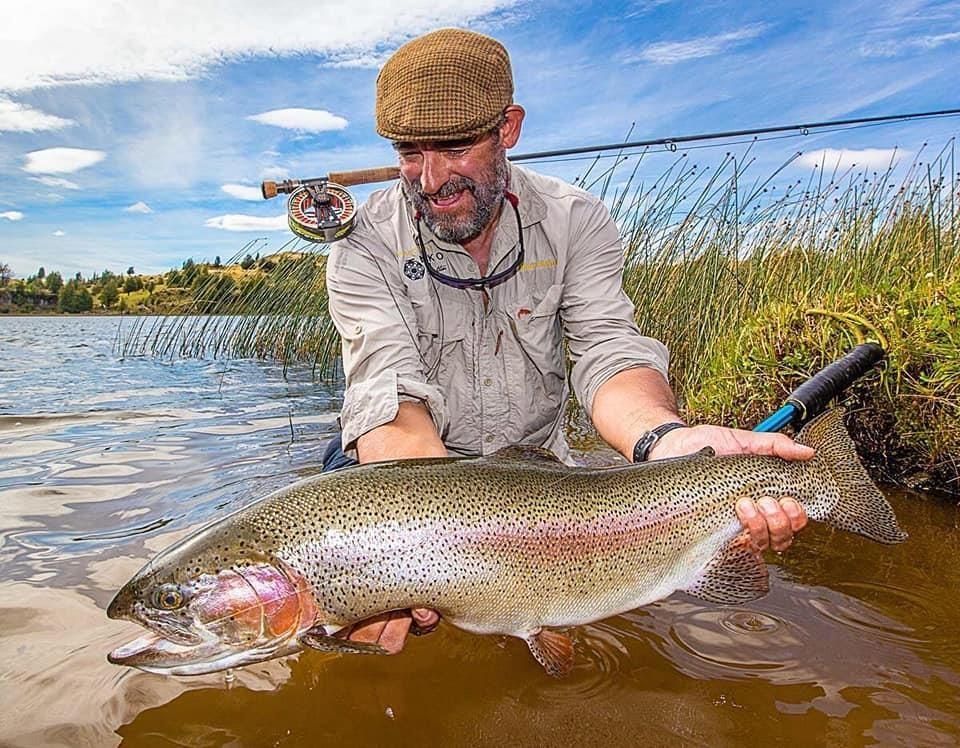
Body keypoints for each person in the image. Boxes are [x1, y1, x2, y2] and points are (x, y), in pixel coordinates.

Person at [324, 28, 812, 654]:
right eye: (410, 153)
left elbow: (608, 351)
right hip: (400, 471)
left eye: (454, 148)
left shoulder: (575, 219)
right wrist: (412, 552)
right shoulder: (360, 243)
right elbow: (389, 394)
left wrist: (666, 441)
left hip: (533, 475)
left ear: (509, 129)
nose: (431, 180)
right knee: (355, 647)